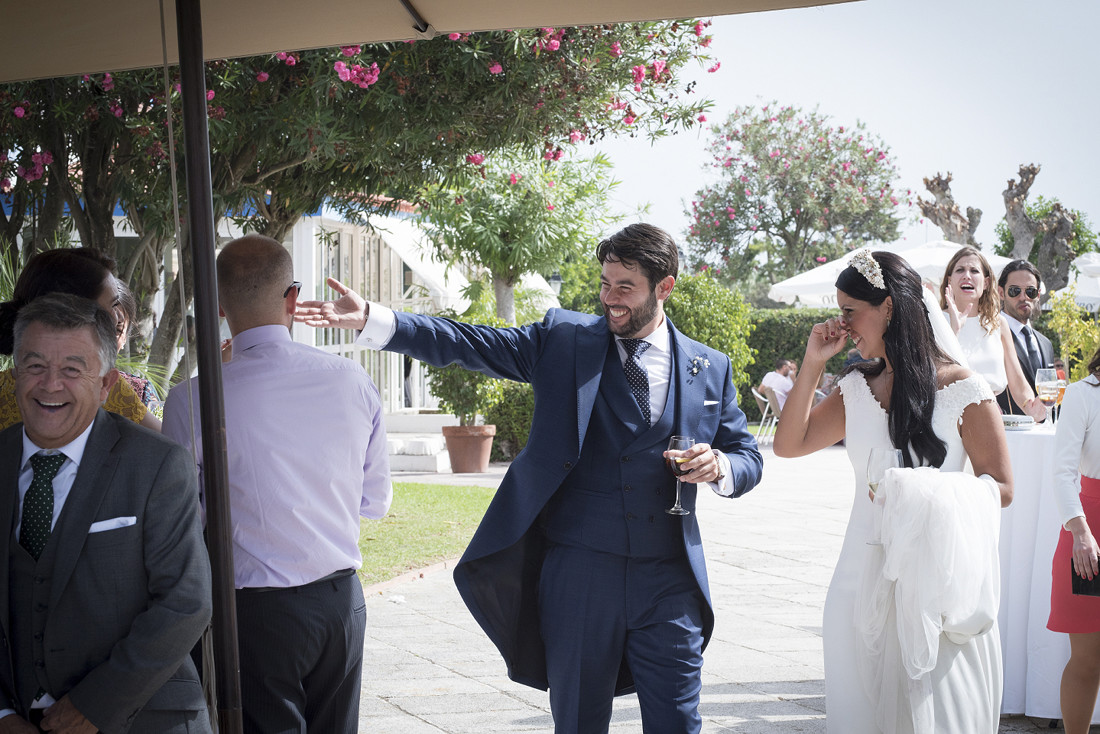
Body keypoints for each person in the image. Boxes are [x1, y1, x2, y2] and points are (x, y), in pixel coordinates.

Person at [296, 223, 763, 733]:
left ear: (665, 287)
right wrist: (376, 320)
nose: (610, 299)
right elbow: (470, 342)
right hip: (580, 574)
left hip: (670, 578)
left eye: (624, 288)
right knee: (578, 721)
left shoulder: (709, 366)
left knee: (678, 721)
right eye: (605, 284)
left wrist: (722, 468)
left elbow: (747, 455)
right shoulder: (564, 340)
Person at [774, 250, 1013, 733]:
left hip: (936, 578)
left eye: (849, 311)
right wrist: (813, 362)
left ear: (888, 308)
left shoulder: (965, 389)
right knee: (859, 707)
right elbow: (788, 444)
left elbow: (1002, 486)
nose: (840, 323)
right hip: (858, 574)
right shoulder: (855, 388)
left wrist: (922, 490)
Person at [163, 235, 392, 734]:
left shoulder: (191, 400)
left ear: (219, 308)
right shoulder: (350, 380)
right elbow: (374, 502)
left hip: (253, 613)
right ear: (292, 298)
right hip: (340, 601)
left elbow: (187, 520)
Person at [0, 294, 211, 733]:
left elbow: (185, 601)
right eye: (35, 366)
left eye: (72, 370)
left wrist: (94, 706)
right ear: (15, 374)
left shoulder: (157, 464)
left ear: (106, 383)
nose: (50, 384)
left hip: (143, 719)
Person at [0, 248, 162, 432]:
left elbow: (172, 451)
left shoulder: (112, 390)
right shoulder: (106, 390)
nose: (117, 317)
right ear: (70, 312)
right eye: (111, 305)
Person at [1047, 345, 1100, 734]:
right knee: (1087, 659)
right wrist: (1080, 530)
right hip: (1089, 530)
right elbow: (1062, 471)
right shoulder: (1083, 393)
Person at [939, 245, 1045, 422]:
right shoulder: (935, 320)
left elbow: (1017, 381)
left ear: (986, 283)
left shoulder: (998, 323)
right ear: (949, 281)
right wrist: (953, 331)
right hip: (948, 418)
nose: (967, 275)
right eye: (960, 270)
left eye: (974, 270)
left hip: (991, 419)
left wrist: (1031, 407)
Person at [997, 259, 1056, 415]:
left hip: (1042, 433)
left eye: (1030, 291)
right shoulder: (990, 334)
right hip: (1005, 432)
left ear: (1037, 295)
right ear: (1001, 293)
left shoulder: (1045, 343)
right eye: (1015, 291)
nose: (1023, 297)